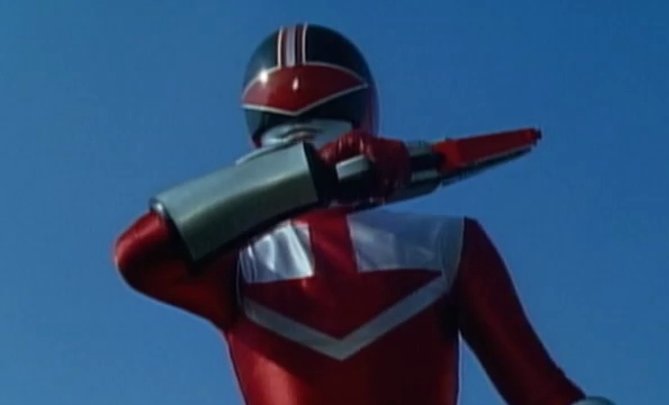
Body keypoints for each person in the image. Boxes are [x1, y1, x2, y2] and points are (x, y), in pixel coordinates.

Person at [114, 24, 612, 405]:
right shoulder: (446, 244)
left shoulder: (239, 264)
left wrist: (302, 178)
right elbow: (138, 256)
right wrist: (312, 175)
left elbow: (141, 254)